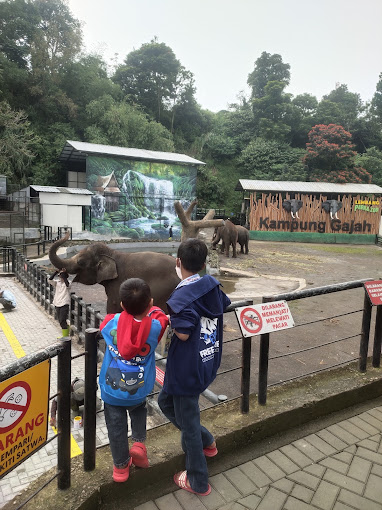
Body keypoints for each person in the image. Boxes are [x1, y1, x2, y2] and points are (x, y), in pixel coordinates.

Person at [158, 238, 231, 496]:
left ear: (178, 263)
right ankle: (207, 440)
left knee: (188, 424)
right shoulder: (210, 286)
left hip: (185, 370)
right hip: (206, 360)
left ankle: (198, 481)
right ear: (202, 264)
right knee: (165, 403)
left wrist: (169, 321)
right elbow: (224, 304)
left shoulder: (181, 297)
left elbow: (185, 334)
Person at [99, 278, 169, 483]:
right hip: (138, 388)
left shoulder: (110, 323)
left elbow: (108, 319)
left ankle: (120, 468)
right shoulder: (155, 328)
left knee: (115, 425)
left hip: (112, 389)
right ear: (149, 303)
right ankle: (138, 443)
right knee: (139, 410)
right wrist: (153, 308)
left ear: (122, 305)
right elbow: (161, 317)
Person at [48, 268, 71, 337]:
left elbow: (68, 285)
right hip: (57, 303)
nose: (59, 277)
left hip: (64, 303)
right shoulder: (57, 283)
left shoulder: (68, 282)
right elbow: (49, 280)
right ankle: (66, 332)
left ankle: (65, 336)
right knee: (60, 320)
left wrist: (64, 275)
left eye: (60, 276)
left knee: (62, 320)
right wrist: (55, 272)